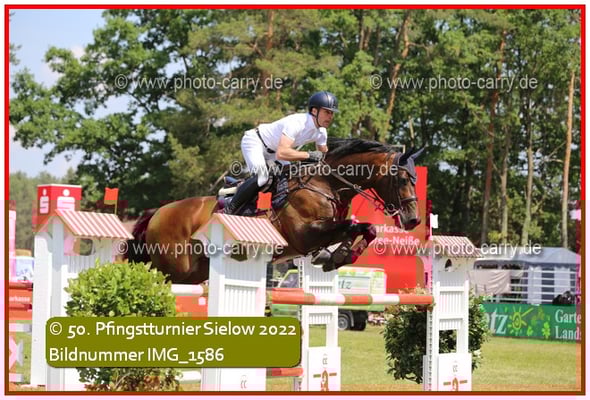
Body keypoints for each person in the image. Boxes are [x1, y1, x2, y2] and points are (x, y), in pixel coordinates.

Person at [224, 91, 338, 215]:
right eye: (327, 112)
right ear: (314, 111)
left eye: (332, 113)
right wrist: (309, 155)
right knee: (263, 177)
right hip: (255, 142)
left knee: (290, 177)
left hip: (274, 151)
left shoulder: (321, 132)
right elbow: (282, 153)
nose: (330, 116)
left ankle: (264, 209)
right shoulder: (297, 122)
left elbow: (324, 157)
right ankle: (230, 208)